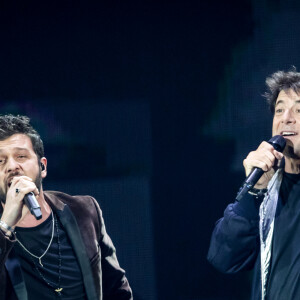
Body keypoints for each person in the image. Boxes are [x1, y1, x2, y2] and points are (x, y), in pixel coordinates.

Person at [0, 114, 133, 299]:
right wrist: (5, 226)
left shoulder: (84, 211)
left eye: (21, 156)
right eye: (1, 161)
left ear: (42, 167)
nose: (12, 166)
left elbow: (116, 288)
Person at [207, 69, 300, 300]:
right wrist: (254, 191)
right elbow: (224, 258)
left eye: (299, 109)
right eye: (279, 110)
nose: (285, 118)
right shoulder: (266, 193)